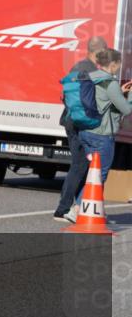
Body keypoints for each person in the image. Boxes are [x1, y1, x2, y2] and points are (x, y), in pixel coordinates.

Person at [53, 36, 108, 222]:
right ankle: (63, 209)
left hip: (71, 120)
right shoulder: (90, 71)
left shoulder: (77, 67)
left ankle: (72, 206)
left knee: (80, 165)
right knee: (80, 165)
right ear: (98, 52)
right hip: (80, 123)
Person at [76, 48, 132, 198]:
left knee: (89, 173)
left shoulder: (90, 77)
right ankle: (81, 208)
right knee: (100, 175)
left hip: (85, 132)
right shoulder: (110, 83)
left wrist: (120, 92)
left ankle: (79, 206)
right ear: (112, 63)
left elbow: (102, 100)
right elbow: (126, 110)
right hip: (102, 135)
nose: (120, 66)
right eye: (119, 63)